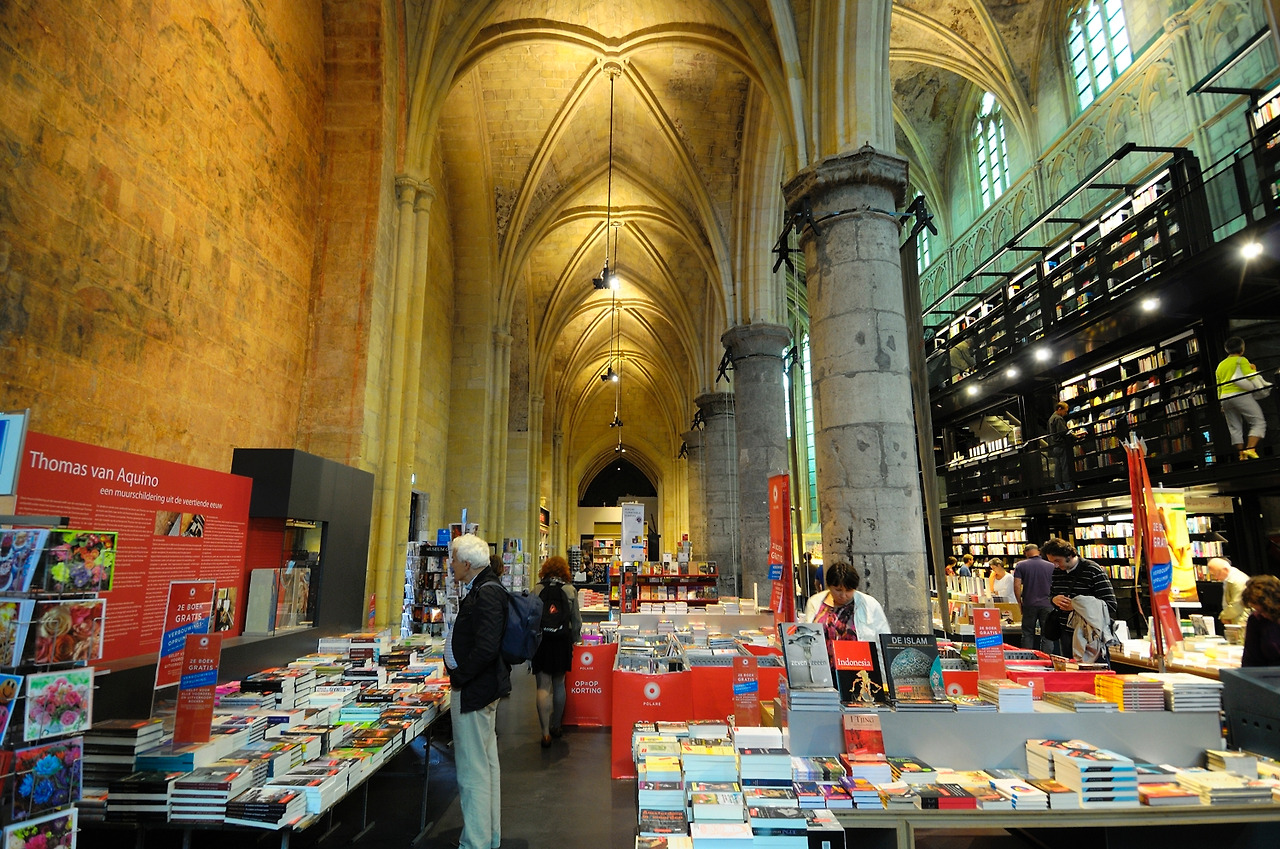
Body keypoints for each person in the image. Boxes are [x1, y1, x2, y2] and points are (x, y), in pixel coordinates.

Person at [445, 534, 510, 849]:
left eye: (454, 559)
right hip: (480, 689)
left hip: (474, 691)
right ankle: (487, 837)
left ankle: (475, 842)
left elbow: (486, 647)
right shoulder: (485, 588)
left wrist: (459, 676)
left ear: (468, 563)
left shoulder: (486, 592)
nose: (451, 564)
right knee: (485, 767)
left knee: (473, 771)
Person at [531, 555, 581, 748]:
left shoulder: (537, 589)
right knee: (559, 683)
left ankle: (545, 733)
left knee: (543, 686)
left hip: (542, 641)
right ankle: (557, 725)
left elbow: (531, 618)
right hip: (561, 640)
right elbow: (576, 620)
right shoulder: (569, 590)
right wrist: (575, 639)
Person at [802, 559, 891, 668]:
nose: (843, 595)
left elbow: (883, 642)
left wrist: (882, 673)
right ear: (829, 586)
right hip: (821, 668)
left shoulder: (870, 605)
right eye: (838, 590)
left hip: (857, 668)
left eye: (849, 590)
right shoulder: (814, 602)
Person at [1042, 537, 1118, 662]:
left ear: (1069, 555)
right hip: (1065, 630)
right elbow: (1052, 594)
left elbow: (1110, 605)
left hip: (1090, 635)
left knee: (1092, 669)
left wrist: (1077, 606)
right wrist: (1054, 600)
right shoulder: (1057, 572)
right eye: (1052, 562)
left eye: (1057, 561)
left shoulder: (1093, 570)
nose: (1055, 565)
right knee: (1070, 668)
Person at [1215, 336, 1267, 461]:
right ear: (1242, 348)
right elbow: (1250, 377)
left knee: (1234, 427)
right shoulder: (1241, 360)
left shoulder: (1220, 365)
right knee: (1258, 421)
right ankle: (1250, 448)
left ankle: (1241, 454)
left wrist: (1221, 404)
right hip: (1240, 394)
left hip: (1224, 398)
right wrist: (1253, 369)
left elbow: (1218, 386)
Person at [1013, 544, 1058, 654]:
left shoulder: (1021, 565)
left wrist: (1019, 602)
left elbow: (1017, 585)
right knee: (1047, 634)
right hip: (1048, 603)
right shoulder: (1051, 566)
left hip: (1029, 603)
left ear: (1025, 553)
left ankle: (1027, 657)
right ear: (1038, 551)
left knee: (1027, 633)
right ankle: (1046, 658)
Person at [1241, 574, 1280, 667]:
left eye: (1265, 610)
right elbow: (1250, 660)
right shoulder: (1256, 619)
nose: (1263, 615)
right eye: (1258, 610)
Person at [1207, 557, 1251, 629]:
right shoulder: (1230, 579)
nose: (1215, 578)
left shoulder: (1238, 580)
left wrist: (1224, 616)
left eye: (1215, 574)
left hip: (1241, 621)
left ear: (1225, 570)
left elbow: (1237, 604)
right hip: (1236, 619)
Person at [1047, 401, 1076, 491]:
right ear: (1060, 409)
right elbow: (1063, 432)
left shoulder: (1051, 419)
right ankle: (1068, 485)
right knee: (1065, 466)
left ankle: (1059, 487)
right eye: (1065, 411)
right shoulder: (1058, 418)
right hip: (1061, 445)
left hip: (1054, 446)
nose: (1065, 413)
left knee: (1058, 467)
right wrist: (1074, 436)